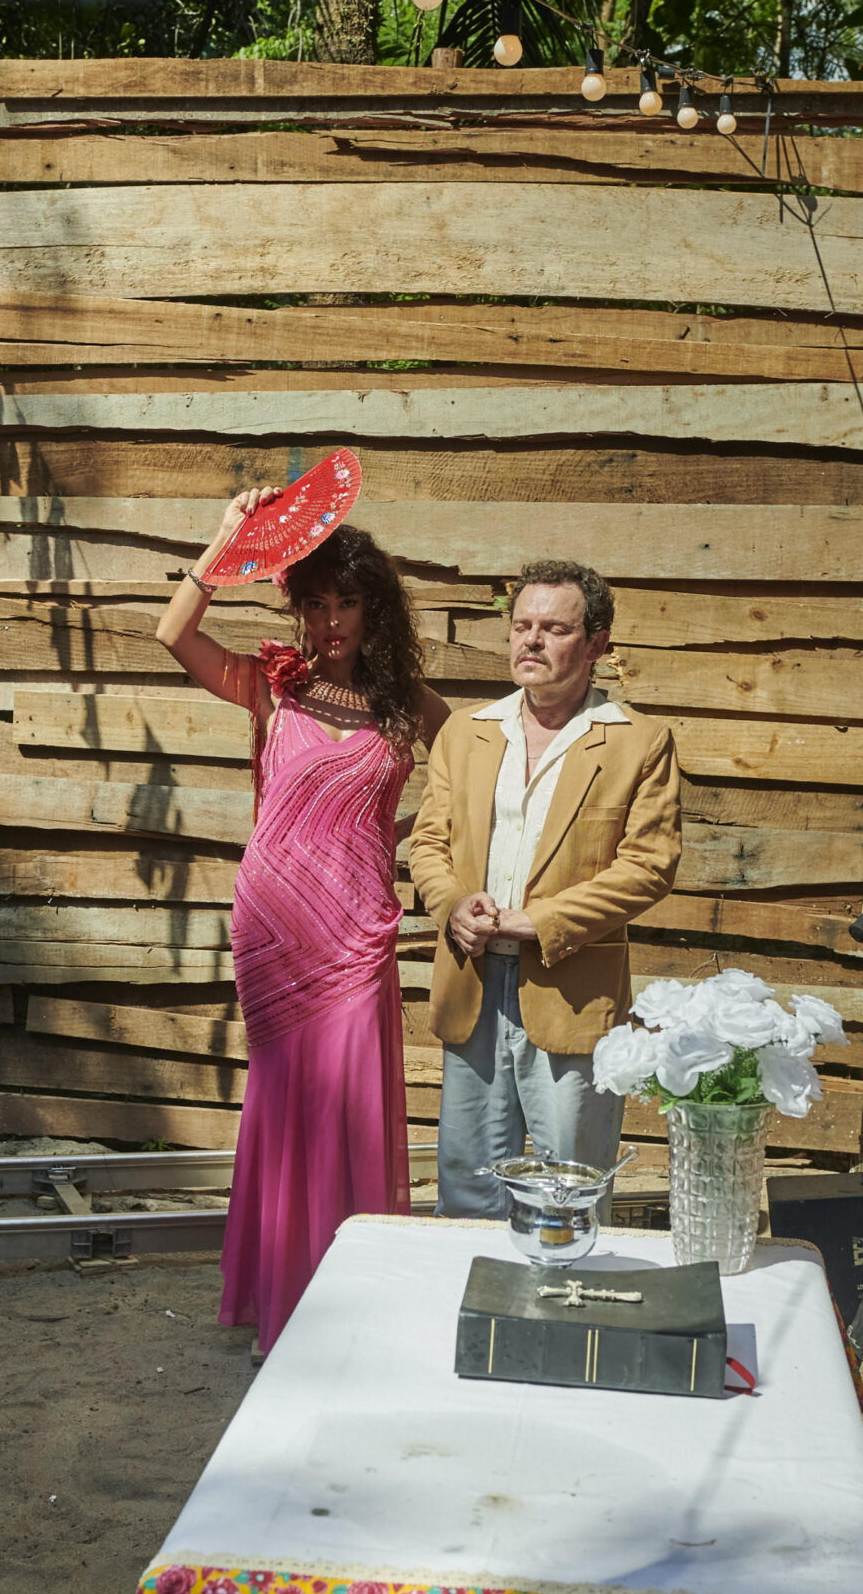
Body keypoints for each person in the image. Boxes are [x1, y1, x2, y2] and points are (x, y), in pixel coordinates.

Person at [156, 502, 450, 1354]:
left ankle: (352, 1302)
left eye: (345, 605)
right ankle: (278, 1302)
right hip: (274, 922)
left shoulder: (401, 704)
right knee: (285, 1105)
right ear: (297, 609)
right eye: (314, 606)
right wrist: (226, 537)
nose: (328, 624)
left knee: (352, 1102)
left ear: (373, 610)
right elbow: (174, 631)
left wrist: (411, 838)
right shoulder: (270, 683)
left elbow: (476, 758)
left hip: (358, 926)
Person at [409, 560, 682, 1218]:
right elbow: (428, 844)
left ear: (596, 643)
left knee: (569, 1190)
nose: (530, 641)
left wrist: (545, 920)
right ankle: (478, 1314)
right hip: (472, 984)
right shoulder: (465, 732)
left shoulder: (638, 742)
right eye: (522, 626)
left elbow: (649, 864)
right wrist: (452, 905)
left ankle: (565, 1312)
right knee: (470, 1186)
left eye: (553, 628)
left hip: (571, 988)